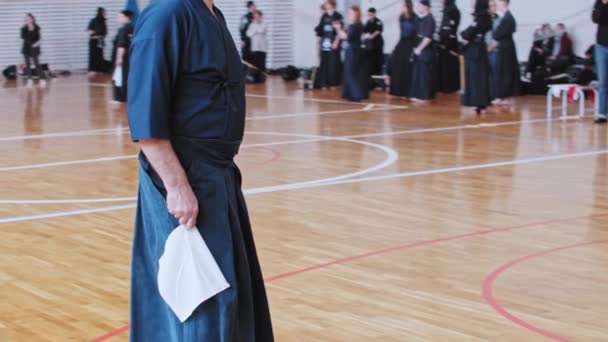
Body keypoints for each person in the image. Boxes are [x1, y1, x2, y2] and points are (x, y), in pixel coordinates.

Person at [126, 0, 274, 340]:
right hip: (185, 176)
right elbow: (146, 118)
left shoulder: (213, 15)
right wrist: (177, 186)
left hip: (217, 175)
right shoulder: (168, 14)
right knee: (200, 300)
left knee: (229, 290)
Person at [461, 0, 492, 114]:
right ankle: (480, 102)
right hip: (479, 50)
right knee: (479, 78)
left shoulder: (481, 18)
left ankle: (477, 101)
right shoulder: (484, 17)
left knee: (476, 78)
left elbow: (468, 33)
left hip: (475, 51)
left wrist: (465, 33)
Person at [336, 6, 369, 102]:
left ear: (356, 14)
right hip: (354, 50)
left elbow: (346, 37)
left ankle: (356, 94)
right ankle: (350, 94)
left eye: (351, 13)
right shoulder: (357, 25)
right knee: (349, 73)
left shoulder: (355, 26)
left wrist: (338, 29)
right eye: (349, 13)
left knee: (350, 74)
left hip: (353, 51)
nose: (349, 15)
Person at [386, 0, 416, 99]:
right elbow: (402, 32)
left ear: (408, 6)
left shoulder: (414, 17)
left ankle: (407, 92)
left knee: (407, 66)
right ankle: (397, 91)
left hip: (411, 42)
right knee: (396, 62)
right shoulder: (401, 17)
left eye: (403, 5)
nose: (402, 7)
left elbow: (413, 32)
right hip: (402, 41)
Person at [491, 0, 519, 105]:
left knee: (505, 72)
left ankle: (504, 96)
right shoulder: (506, 17)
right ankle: (503, 96)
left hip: (506, 48)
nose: (497, 4)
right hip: (504, 47)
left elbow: (496, 34)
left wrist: (497, 32)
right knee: (501, 71)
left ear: (504, 2)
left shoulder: (508, 18)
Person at [410, 0, 436, 103]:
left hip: (425, 51)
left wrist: (419, 48)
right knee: (418, 73)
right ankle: (418, 94)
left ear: (426, 7)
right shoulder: (419, 19)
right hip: (418, 50)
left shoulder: (430, 19)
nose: (418, 7)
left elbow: (428, 37)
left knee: (424, 74)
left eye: (420, 5)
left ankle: (425, 97)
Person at [314, 0, 343, 90]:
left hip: (333, 42)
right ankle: (324, 83)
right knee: (324, 63)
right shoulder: (324, 16)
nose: (325, 5)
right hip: (325, 43)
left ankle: (333, 83)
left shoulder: (338, 16)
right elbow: (320, 30)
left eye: (327, 3)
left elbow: (340, 31)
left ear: (332, 5)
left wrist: (336, 42)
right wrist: (318, 42)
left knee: (333, 63)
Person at [437, 0, 461, 94]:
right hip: (443, 39)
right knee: (443, 64)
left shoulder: (453, 10)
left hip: (449, 41)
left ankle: (450, 87)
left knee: (449, 63)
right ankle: (443, 86)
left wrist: (447, 41)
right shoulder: (446, 9)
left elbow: (451, 27)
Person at [111, 10, 134, 104]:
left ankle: (120, 98)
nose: (118, 18)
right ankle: (125, 97)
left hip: (124, 58)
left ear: (126, 17)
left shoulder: (124, 29)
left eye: (120, 16)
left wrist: (119, 58)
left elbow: (122, 45)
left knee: (120, 78)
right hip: (130, 57)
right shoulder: (132, 27)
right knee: (126, 77)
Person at [21, 13, 46, 88]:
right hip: (26, 48)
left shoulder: (37, 27)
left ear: (32, 19)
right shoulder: (23, 28)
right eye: (26, 19)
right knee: (27, 65)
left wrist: (36, 44)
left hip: (35, 48)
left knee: (37, 64)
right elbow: (24, 38)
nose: (27, 20)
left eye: (29, 18)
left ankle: (42, 79)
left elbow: (40, 38)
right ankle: (29, 80)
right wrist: (31, 44)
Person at [593, 0, 608, 124]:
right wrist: (603, 5)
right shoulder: (599, 3)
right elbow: (595, 18)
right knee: (602, 82)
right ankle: (602, 113)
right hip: (601, 47)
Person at [363, 8, 384, 79]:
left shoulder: (378, 21)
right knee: (370, 62)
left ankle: (378, 79)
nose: (369, 16)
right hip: (370, 46)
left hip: (378, 45)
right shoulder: (368, 22)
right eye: (368, 15)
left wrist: (371, 36)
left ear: (374, 14)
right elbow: (364, 31)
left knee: (378, 61)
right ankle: (371, 79)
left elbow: (379, 30)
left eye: (370, 14)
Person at [88, 7, 108, 74]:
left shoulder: (103, 21)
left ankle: (99, 69)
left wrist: (100, 35)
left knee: (100, 55)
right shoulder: (93, 20)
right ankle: (92, 70)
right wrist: (94, 33)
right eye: (103, 12)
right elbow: (89, 30)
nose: (105, 14)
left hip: (100, 41)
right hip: (93, 41)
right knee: (93, 55)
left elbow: (105, 32)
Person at [486, 0, 499, 100]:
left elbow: (498, 38)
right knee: (486, 74)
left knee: (495, 73)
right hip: (484, 51)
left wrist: (490, 48)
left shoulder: (498, 20)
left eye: (494, 6)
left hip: (494, 51)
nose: (492, 8)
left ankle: (496, 95)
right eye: (490, 6)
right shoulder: (484, 19)